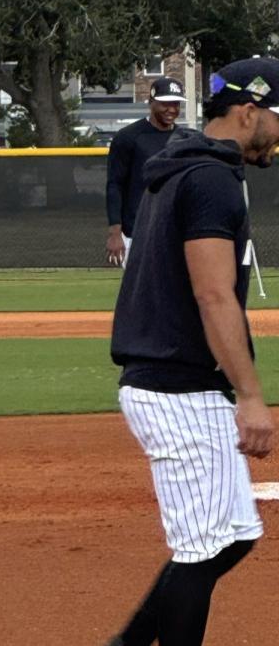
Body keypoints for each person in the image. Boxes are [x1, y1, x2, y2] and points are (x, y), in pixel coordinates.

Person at [107, 58, 279, 646]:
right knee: (201, 549)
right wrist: (252, 397)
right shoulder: (208, 179)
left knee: (233, 536)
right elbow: (212, 293)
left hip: (176, 380)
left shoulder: (186, 164)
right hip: (177, 385)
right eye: (277, 118)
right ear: (249, 111)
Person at [105, 77, 185, 266]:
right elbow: (115, 185)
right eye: (165, 103)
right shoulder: (129, 137)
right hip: (136, 231)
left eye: (176, 104)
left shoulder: (184, 138)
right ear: (151, 102)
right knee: (141, 293)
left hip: (175, 230)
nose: (172, 109)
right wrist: (115, 233)